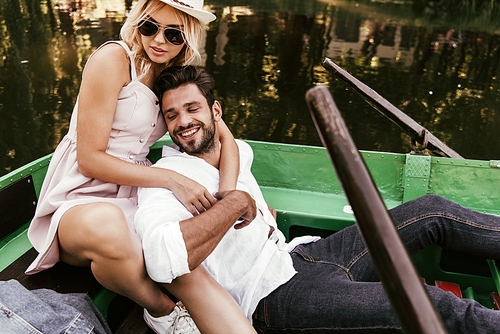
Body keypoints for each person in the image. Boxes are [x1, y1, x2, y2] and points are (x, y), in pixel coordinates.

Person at [135, 65, 500, 334]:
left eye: (192, 108)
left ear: (216, 112)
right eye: (172, 116)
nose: (183, 122)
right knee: (427, 304)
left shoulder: (235, 152)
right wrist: (234, 204)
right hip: (273, 297)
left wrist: (260, 213)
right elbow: (161, 259)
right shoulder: (167, 182)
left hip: (302, 254)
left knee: (430, 210)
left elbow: (231, 144)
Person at [25, 1, 256, 333]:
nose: (159, 40)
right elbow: (89, 159)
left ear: (188, 38)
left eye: (173, 34)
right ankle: (165, 312)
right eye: (150, 27)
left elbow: (226, 139)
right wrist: (171, 179)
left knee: (177, 253)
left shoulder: (172, 76)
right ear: (138, 22)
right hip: (78, 193)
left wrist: (229, 194)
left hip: (137, 190)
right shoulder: (113, 60)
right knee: (113, 229)